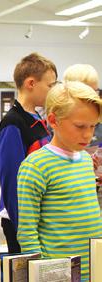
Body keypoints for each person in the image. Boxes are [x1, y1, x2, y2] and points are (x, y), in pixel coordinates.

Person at [17, 81, 102, 281]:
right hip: (58, 272)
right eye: (80, 126)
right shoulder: (36, 166)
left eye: (93, 126)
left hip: (93, 268)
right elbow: (27, 232)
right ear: (54, 120)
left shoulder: (85, 160)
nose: (88, 135)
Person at [0, 52, 57, 253]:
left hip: (38, 217)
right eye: (50, 85)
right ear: (31, 83)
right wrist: (24, 227)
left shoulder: (37, 120)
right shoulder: (13, 122)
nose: (53, 90)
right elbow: (11, 180)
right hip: (21, 222)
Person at [64, 63, 102, 212]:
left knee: (97, 234)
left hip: (96, 194)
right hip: (71, 200)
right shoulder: (58, 124)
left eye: (96, 91)